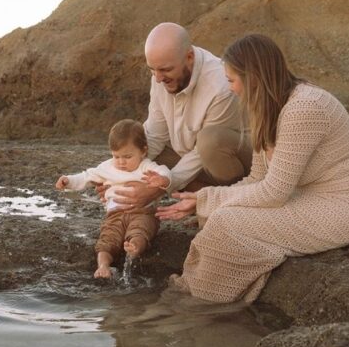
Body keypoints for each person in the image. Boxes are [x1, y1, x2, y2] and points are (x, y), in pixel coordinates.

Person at [157, 34, 349, 303]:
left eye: (231, 80)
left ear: (252, 77)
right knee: (219, 215)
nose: (231, 89)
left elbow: (274, 192)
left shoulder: (304, 107)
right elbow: (257, 178)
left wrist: (206, 200)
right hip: (310, 198)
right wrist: (205, 200)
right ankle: (199, 294)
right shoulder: (268, 108)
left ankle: (201, 302)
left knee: (225, 220)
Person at [108, 23, 252, 214]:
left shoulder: (220, 86)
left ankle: (228, 205)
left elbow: (201, 154)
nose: (158, 78)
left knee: (210, 141)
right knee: (141, 149)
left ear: (189, 57)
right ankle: (202, 200)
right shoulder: (160, 75)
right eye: (153, 69)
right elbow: (155, 135)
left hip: (233, 163)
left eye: (165, 70)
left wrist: (159, 187)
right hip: (191, 158)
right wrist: (116, 177)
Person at [56, 119, 172, 279]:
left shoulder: (146, 166)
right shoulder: (107, 167)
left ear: (143, 151)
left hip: (143, 212)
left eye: (127, 156)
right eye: (116, 156)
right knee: (107, 239)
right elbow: (86, 177)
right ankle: (103, 266)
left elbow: (164, 171)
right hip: (115, 214)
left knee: (140, 230)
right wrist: (68, 181)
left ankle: (135, 247)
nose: (121, 162)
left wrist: (163, 180)